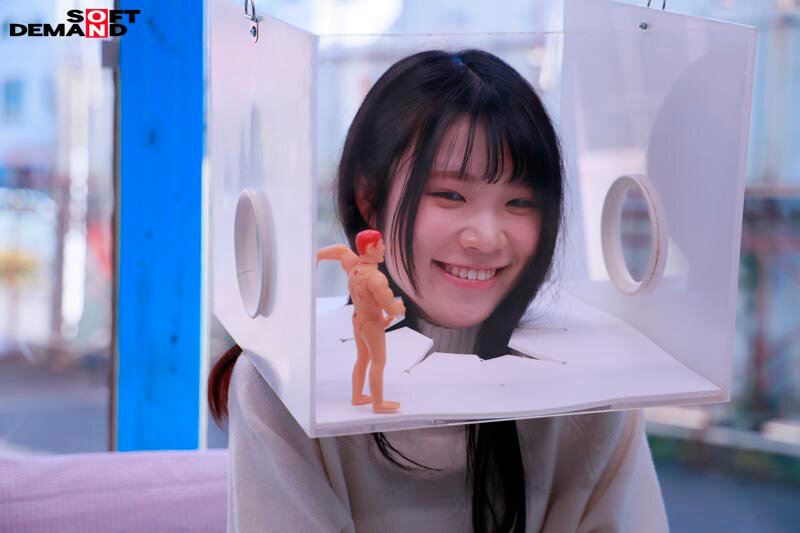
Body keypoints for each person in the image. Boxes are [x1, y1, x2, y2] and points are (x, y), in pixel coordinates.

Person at [208, 49, 668, 532]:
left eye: (519, 202)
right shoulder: (278, 387)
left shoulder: (595, 392)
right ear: (369, 198)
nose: (486, 237)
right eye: (450, 195)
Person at [316, 229, 406, 413]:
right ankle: (378, 404)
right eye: (381, 244)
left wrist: (318, 256)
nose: (384, 248)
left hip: (358, 319)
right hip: (371, 323)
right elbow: (391, 308)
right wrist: (400, 307)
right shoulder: (376, 279)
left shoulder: (355, 268)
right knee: (378, 362)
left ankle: (357, 397)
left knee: (363, 359)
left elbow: (341, 251)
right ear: (371, 248)